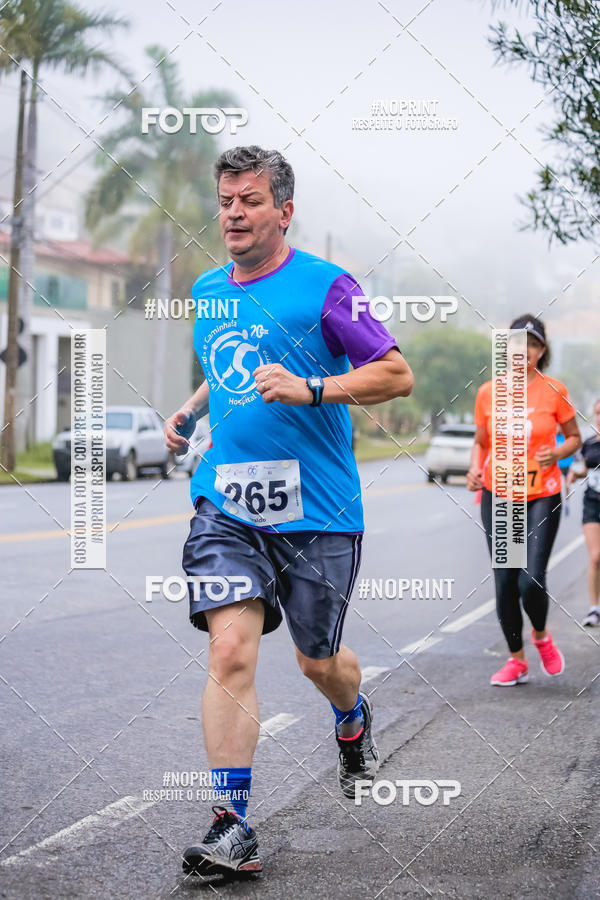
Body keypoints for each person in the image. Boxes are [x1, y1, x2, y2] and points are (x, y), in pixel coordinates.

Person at [164, 145, 413, 878]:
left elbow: (394, 374)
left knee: (318, 661)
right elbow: (231, 363)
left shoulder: (329, 286)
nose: (234, 212)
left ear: (283, 210)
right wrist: (189, 406)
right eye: (226, 200)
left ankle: (351, 717)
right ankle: (232, 825)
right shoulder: (210, 289)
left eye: (250, 200)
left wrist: (311, 388)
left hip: (320, 511)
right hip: (227, 502)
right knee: (230, 650)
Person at [466, 315, 581, 686]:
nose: (523, 350)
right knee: (505, 584)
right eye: (517, 343)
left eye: (532, 344)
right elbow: (481, 443)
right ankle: (517, 661)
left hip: (542, 494)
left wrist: (558, 453)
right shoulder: (488, 392)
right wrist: (473, 469)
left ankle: (542, 636)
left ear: (542, 350)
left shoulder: (555, 391)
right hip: (500, 494)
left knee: (531, 580)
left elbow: (575, 438)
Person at [566, 398, 600, 627]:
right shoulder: (589, 444)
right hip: (592, 502)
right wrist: (574, 475)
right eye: (598, 413)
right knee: (596, 557)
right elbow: (585, 469)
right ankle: (594, 608)